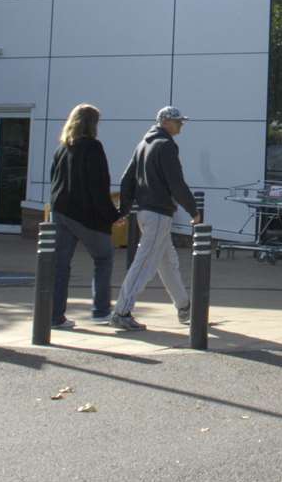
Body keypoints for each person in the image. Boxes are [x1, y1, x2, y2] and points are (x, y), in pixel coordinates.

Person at [109, 106, 199, 331]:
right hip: (158, 213)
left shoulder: (143, 144)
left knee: (167, 262)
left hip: (146, 213)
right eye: (178, 121)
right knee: (145, 263)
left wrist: (123, 210)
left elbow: (127, 179)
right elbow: (176, 182)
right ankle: (122, 311)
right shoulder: (166, 145)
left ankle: (185, 307)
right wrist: (194, 211)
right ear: (166, 122)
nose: (181, 125)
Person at [48, 103, 120, 329]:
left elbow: (54, 181)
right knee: (103, 258)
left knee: (59, 265)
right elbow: (99, 186)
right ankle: (100, 311)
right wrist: (113, 215)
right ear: (92, 124)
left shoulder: (61, 149)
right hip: (86, 215)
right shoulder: (93, 148)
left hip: (60, 212)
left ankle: (54, 316)